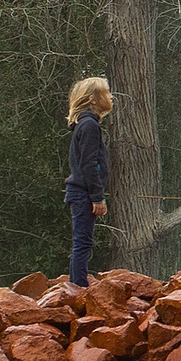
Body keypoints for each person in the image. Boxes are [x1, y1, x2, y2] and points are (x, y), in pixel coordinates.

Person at [65, 76, 112, 287]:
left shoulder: (83, 124)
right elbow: (89, 165)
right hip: (83, 193)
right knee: (82, 243)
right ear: (93, 98)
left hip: (80, 192)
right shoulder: (89, 126)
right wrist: (97, 197)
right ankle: (78, 289)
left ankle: (77, 286)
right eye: (106, 92)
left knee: (82, 242)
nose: (110, 96)